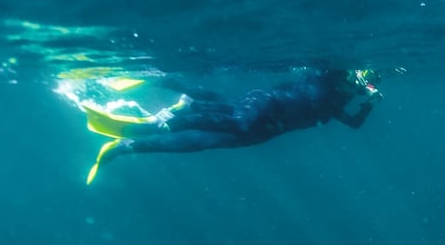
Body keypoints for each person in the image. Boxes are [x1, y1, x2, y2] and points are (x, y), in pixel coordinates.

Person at [83, 69, 383, 184]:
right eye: (364, 78)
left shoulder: (339, 102)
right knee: (237, 121)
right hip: (265, 105)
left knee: (206, 140)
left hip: (269, 128)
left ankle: (126, 147)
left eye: (368, 84)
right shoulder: (331, 73)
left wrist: (369, 102)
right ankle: (154, 122)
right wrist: (350, 74)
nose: (362, 85)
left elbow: (355, 124)